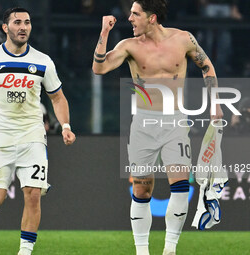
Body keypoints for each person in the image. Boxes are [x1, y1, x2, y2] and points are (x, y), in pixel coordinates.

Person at [92, 1, 223, 255]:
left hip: (175, 121)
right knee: (142, 189)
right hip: (143, 123)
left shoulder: (183, 39)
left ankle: (169, 249)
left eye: (135, 14)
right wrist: (104, 33)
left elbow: (207, 66)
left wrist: (215, 103)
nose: (129, 18)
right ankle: (142, 251)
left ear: (151, 18)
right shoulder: (128, 46)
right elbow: (99, 68)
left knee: (180, 185)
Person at [0, 7, 76, 255]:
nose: (23, 27)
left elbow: (58, 98)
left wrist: (65, 126)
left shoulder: (43, 61)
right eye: (17, 22)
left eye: (27, 22)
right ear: (5, 28)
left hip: (32, 136)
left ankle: (25, 251)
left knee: (33, 194)